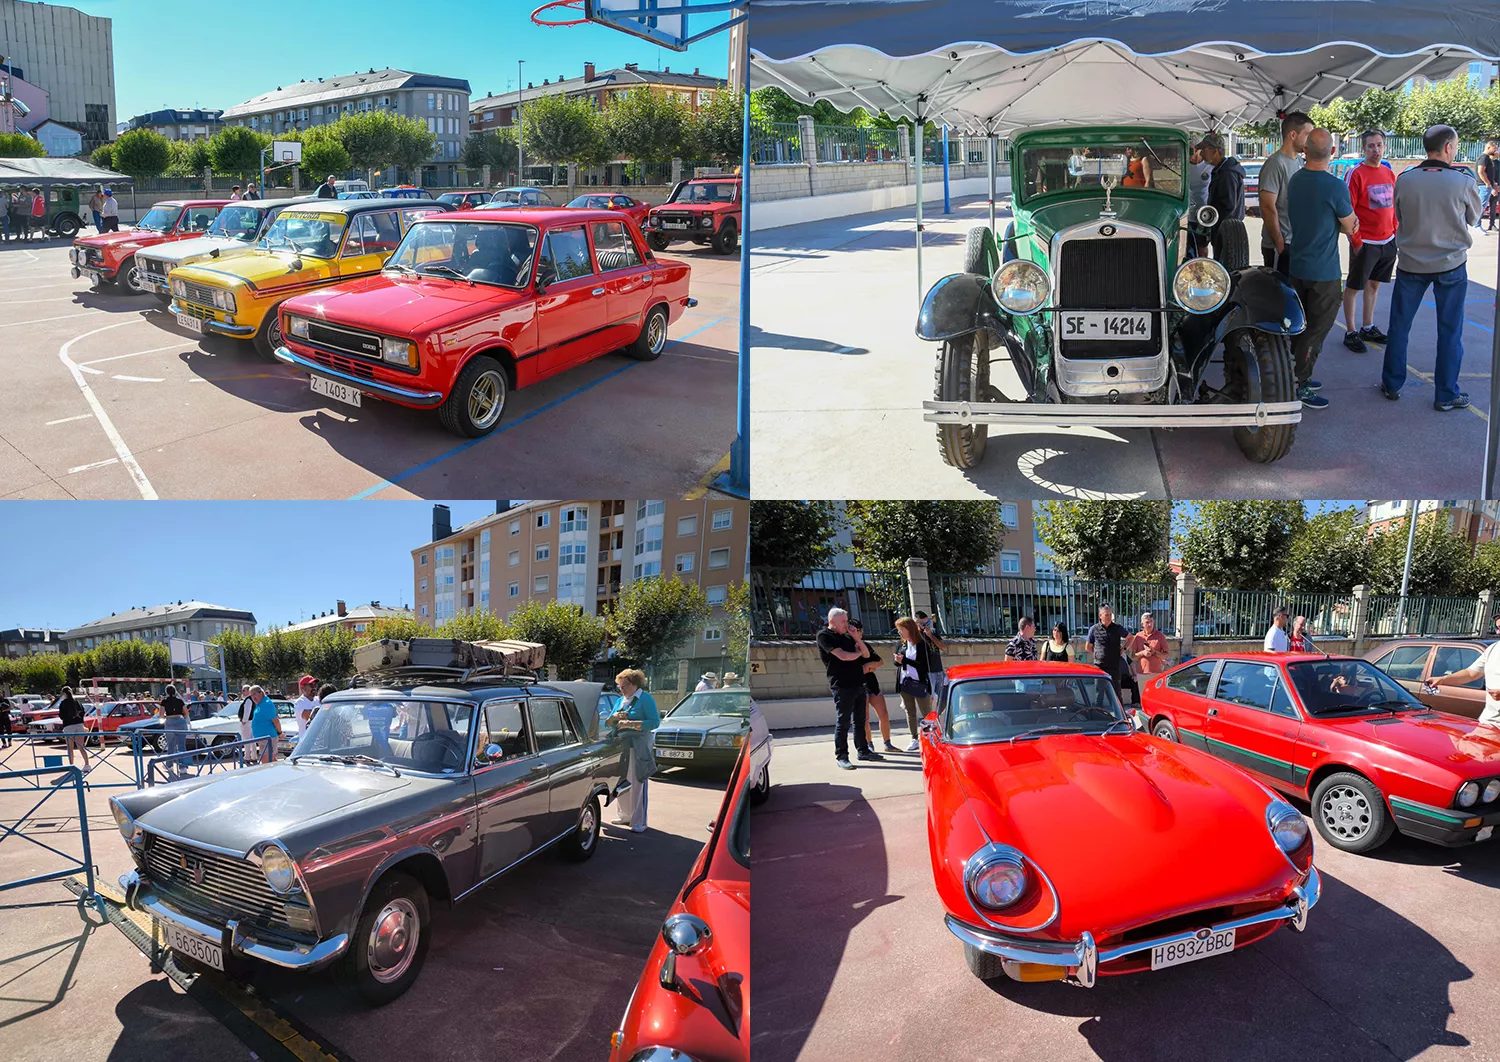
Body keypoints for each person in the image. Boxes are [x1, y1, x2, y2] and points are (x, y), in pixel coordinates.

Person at [1380, 124, 1482, 411]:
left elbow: (1399, 215)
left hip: (1411, 263)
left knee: (1399, 325)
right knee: (1450, 331)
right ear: (1448, 147)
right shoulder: (1462, 181)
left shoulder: (1405, 179)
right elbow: (1473, 218)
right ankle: (1446, 393)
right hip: (1451, 264)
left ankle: (1391, 383)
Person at [1286, 128, 1356, 410]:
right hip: (1324, 272)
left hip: (1298, 265)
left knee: (1300, 327)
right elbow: (1351, 225)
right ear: (1333, 153)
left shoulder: (1295, 180)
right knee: (1316, 331)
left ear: (1305, 151)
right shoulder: (1335, 186)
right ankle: (1299, 383)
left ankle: (1296, 374)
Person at [1341, 130, 1397, 353]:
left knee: (1374, 284)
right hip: (1365, 242)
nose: (1376, 150)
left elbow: (1394, 206)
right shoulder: (1356, 174)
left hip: (1388, 241)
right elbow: (1347, 210)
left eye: (1379, 145)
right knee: (1354, 286)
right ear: (1364, 149)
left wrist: (1395, 231)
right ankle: (1351, 331)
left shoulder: (1389, 173)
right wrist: (1356, 241)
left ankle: (1368, 325)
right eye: (1371, 146)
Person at [817, 607, 881, 768]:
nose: (847, 624)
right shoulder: (825, 636)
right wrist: (857, 654)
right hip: (842, 685)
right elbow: (843, 656)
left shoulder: (848, 636)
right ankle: (842, 756)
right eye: (843, 621)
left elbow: (866, 654)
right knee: (843, 721)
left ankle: (863, 751)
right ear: (832, 621)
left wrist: (857, 639)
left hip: (859, 683)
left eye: (847, 620)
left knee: (860, 720)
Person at [1258, 111, 1313, 275]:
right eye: (1308, 134)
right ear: (1293, 135)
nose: (1310, 140)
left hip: (1295, 241)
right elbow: (1267, 207)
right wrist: (1279, 243)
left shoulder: (1299, 161)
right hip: (1279, 246)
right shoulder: (1275, 164)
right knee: (1279, 295)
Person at [609, 669, 660, 832]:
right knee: (622, 782)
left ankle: (639, 821)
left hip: (638, 747)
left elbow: (654, 722)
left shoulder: (645, 699)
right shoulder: (620, 700)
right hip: (622, 747)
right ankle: (624, 815)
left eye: (624, 685)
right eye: (619, 686)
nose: (621, 689)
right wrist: (615, 718)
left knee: (638, 783)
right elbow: (608, 724)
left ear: (634, 684)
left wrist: (631, 724)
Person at [1425, 640, 1500, 728]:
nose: (1497, 632)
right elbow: (1470, 674)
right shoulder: (1493, 649)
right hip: (1488, 722)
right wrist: (1442, 679)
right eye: (1497, 628)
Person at [849, 619, 896, 753]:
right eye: (854, 630)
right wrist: (865, 668)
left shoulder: (865, 645)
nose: (858, 633)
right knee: (864, 718)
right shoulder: (847, 646)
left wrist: (868, 665)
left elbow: (879, 661)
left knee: (884, 714)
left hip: (872, 684)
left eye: (859, 630)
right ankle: (869, 744)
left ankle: (887, 743)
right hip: (858, 685)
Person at [1198, 133, 1245, 263]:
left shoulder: (1227, 174)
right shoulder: (1222, 170)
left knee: (1226, 270)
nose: (1201, 154)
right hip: (1225, 232)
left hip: (1227, 233)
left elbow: (1228, 206)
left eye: (1204, 149)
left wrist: (1211, 222)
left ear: (1216, 151)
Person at [894, 616, 935, 753]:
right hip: (904, 683)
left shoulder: (922, 644)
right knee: (909, 711)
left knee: (926, 713)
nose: (899, 632)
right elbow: (897, 662)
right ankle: (914, 738)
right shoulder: (901, 643)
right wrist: (898, 660)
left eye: (901, 629)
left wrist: (905, 660)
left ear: (909, 628)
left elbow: (923, 666)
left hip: (919, 683)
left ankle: (930, 736)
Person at [1085, 604, 1128, 694]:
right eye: (1106, 614)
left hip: (1114, 666)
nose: (1109, 617)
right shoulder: (1094, 629)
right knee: (1099, 693)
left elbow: (1131, 638)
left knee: (1116, 694)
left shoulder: (1117, 628)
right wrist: (1097, 654)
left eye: (1110, 614)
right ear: (1100, 615)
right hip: (1100, 666)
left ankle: (1118, 708)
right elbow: (1088, 647)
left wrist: (1123, 649)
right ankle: (1099, 708)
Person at [914, 611, 948, 703]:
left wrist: (931, 636)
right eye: (923, 624)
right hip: (927, 673)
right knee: (930, 699)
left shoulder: (932, 632)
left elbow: (944, 647)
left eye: (928, 622)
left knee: (944, 698)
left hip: (938, 670)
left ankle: (939, 715)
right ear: (917, 623)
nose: (926, 626)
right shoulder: (915, 636)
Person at [56, 687, 91, 772]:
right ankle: (87, 764)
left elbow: (61, 716)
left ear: (64, 694)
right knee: (80, 746)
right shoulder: (77, 702)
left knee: (70, 747)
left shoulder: (63, 703)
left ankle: (71, 765)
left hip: (68, 726)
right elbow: (83, 712)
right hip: (79, 725)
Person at [159, 684, 189, 778]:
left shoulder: (164, 701)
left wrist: (163, 720)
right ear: (175, 691)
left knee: (171, 745)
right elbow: (186, 712)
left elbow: (160, 714)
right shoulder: (180, 701)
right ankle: (183, 767)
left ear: (166, 692)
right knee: (182, 745)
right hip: (180, 721)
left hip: (170, 721)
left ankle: (170, 766)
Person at [1126, 612, 1169, 677]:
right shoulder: (1138, 636)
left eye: (1151, 621)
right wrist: (1142, 653)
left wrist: (1154, 652)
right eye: (1147, 622)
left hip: (1157, 674)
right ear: (1142, 624)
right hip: (1142, 673)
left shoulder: (1160, 636)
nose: (1150, 624)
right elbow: (1133, 656)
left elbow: (1166, 655)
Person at [248, 685, 282, 762]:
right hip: (263, 738)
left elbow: (276, 721)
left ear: (261, 692)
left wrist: (280, 733)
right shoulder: (260, 704)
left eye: (254, 694)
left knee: (266, 763)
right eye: (251, 695)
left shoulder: (267, 704)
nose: (253, 698)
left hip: (268, 738)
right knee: (272, 761)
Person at [1480, 141, 1500, 233]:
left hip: (1496, 187)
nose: (1496, 151)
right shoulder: (1486, 160)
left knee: (1493, 206)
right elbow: (1484, 173)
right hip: (1489, 187)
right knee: (1482, 206)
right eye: (1494, 149)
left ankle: (1492, 224)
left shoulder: (1497, 162)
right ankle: (1477, 225)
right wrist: (1491, 186)